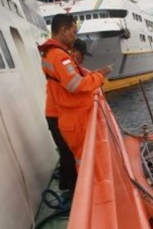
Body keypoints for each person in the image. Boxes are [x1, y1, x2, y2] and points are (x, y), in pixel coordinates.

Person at [38, 14, 111, 175]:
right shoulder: (59, 56)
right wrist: (100, 76)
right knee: (82, 160)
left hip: (68, 116)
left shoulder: (53, 53)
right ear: (64, 30)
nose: (74, 37)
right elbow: (75, 85)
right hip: (73, 119)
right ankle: (85, 194)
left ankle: (81, 190)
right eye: (73, 32)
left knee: (77, 160)